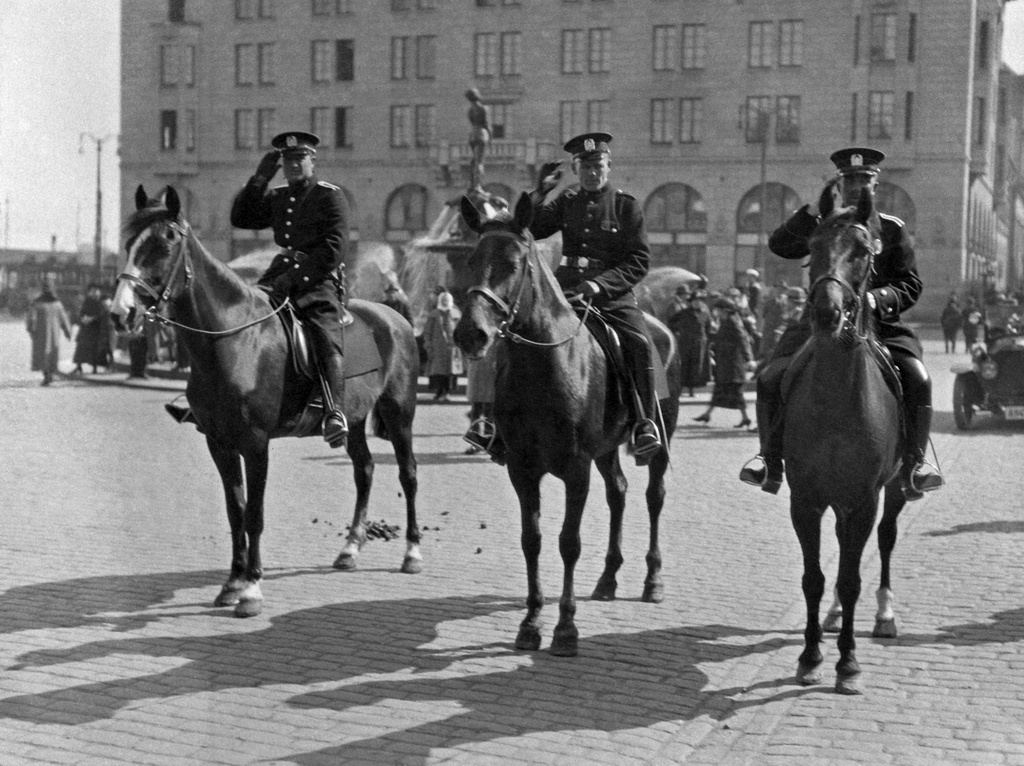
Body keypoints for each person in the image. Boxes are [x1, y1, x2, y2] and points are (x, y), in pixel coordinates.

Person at [739, 147, 943, 500]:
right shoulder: (823, 225)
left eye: (863, 180)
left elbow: (911, 284)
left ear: (875, 184)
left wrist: (875, 300)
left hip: (879, 324)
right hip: (820, 320)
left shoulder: (891, 230)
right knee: (771, 377)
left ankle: (915, 463)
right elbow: (780, 246)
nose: (855, 187)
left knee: (917, 378)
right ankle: (769, 459)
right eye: (848, 180)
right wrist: (811, 212)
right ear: (839, 183)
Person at [466, 132, 662, 465]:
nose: (592, 173)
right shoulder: (567, 201)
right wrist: (541, 191)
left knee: (639, 343)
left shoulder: (626, 206)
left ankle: (644, 422)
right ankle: (498, 425)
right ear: (576, 170)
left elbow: (639, 260)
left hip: (610, 296)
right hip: (564, 291)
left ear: (608, 166)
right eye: (584, 167)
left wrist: (600, 285)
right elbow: (529, 228)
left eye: (597, 165)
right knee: (511, 335)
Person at [227, 130, 350, 447]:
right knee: (242, 319)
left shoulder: (329, 196)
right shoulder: (279, 196)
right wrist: (258, 181)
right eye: (287, 161)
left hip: (317, 279)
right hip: (278, 273)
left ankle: (333, 411)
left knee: (324, 333)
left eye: (299, 159)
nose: (293, 166)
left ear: (312, 160)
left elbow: (332, 250)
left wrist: (294, 280)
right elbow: (241, 218)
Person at [693, 297, 754, 427]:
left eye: (718, 310)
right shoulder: (726, 320)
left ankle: (745, 418)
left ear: (725, 310)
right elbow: (722, 338)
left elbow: (742, 339)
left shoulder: (733, 321)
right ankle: (707, 414)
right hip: (726, 362)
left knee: (735, 392)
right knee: (720, 390)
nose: (717, 312)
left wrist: (748, 359)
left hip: (733, 364)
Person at [27, 273, 71, 386]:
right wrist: (67, 331)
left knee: (42, 353)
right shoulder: (57, 304)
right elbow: (64, 319)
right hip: (54, 334)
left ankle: (46, 375)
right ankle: (50, 374)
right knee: (52, 353)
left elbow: (31, 318)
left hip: (40, 334)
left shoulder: (36, 303)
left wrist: (31, 330)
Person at [667, 289, 711, 397]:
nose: (697, 302)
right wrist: (679, 331)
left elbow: (708, 327)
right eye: (694, 301)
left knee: (695, 368)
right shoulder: (683, 313)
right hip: (685, 343)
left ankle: (692, 391)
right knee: (684, 366)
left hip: (699, 344)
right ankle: (680, 391)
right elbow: (671, 323)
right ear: (690, 302)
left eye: (699, 300)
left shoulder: (705, 313)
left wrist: (707, 339)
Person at [423, 286, 457, 402]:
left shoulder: (456, 314)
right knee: (438, 372)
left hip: (452, 348)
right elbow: (427, 332)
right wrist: (428, 345)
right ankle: (439, 392)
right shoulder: (433, 315)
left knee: (450, 372)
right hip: (437, 348)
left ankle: (447, 392)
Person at [72, 283, 107, 375]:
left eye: (96, 291)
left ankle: (94, 368)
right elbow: (81, 313)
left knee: (94, 349)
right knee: (81, 348)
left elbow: (102, 315)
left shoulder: (100, 303)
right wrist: (83, 319)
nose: (94, 293)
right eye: (92, 291)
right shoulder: (86, 301)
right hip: (85, 329)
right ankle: (79, 367)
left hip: (95, 329)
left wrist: (92, 319)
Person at [465, 88, 492, 190]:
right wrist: (490, 138)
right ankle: (477, 185)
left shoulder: (470, 110)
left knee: (474, 160)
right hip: (481, 135)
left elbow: (472, 123)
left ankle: (472, 184)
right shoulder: (483, 108)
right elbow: (487, 125)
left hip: (473, 135)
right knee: (479, 162)